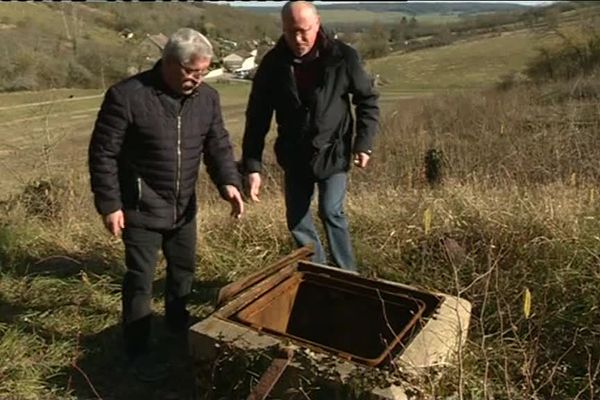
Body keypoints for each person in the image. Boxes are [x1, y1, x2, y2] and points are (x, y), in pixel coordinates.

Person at [88, 28, 244, 381]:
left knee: (183, 270)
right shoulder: (127, 96)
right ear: (168, 63)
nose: (196, 79)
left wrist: (229, 183)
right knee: (141, 281)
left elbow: (217, 145)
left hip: (183, 206)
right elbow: (103, 154)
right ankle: (137, 350)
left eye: (202, 72)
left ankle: (177, 328)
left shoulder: (207, 99)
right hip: (140, 206)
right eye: (190, 71)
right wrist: (110, 204)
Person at [241, 1, 379, 271]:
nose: (298, 38)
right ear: (283, 28)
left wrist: (363, 144)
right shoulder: (273, 64)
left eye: (304, 30)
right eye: (291, 31)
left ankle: (347, 274)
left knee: (331, 211)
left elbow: (368, 100)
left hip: (333, 150)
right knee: (297, 219)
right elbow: (257, 117)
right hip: (295, 155)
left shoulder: (342, 57)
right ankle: (319, 272)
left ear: (317, 25)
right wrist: (252, 165)